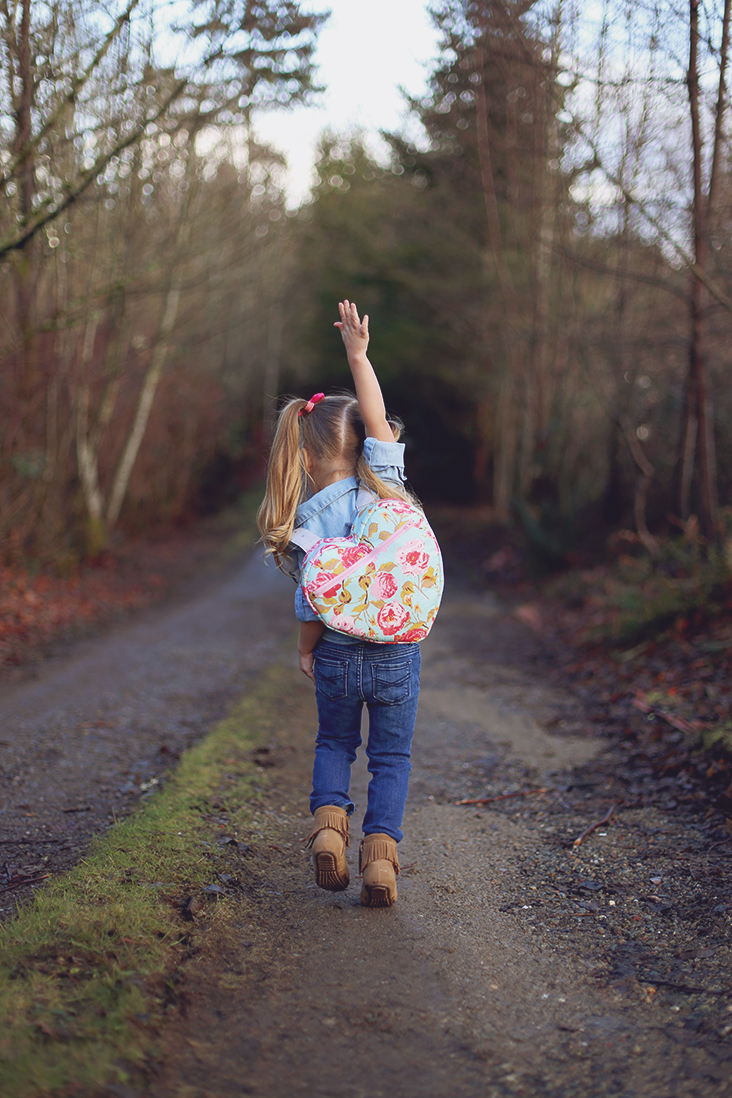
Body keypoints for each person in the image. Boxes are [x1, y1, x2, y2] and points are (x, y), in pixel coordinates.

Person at [257, 300, 423, 908]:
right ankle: (381, 861)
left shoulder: (306, 522)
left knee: (334, 744)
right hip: (397, 652)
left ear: (302, 457)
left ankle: (329, 826)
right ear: (369, 446)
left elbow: (310, 601)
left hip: (335, 654)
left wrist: (306, 651)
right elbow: (377, 418)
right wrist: (359, 355)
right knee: (391, 756)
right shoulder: (385, 487)